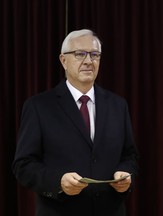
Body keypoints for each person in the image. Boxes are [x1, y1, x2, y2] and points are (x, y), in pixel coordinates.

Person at [12, 29, 139, 216]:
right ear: (63, 60)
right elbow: (23, 165)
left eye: (95, 54)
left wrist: (125, 175)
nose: (88, 61)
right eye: (80, 54)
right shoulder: (39, 106)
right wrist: (58, 182)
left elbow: (130, 156)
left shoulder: (118, 105)